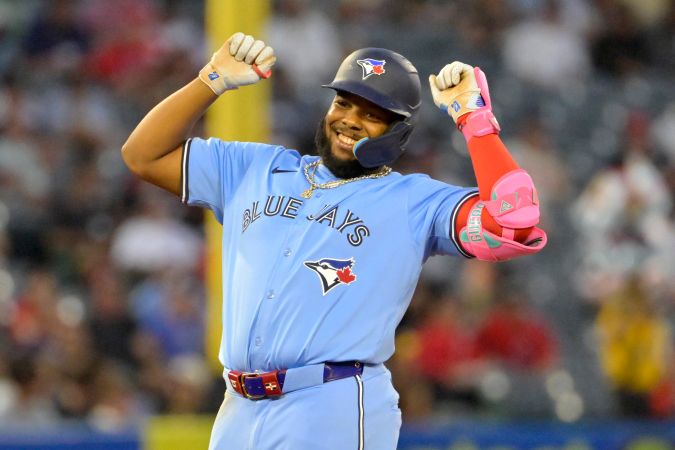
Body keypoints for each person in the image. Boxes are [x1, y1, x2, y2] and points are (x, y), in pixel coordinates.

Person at [122, 32, 547, 450]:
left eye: (372, 113)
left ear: (397, 132)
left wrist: (474, 121)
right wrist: (210, 79)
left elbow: (514, 223)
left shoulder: (413, 201)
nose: (349, 119)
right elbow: (142, 154)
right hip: (238, 405)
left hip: (330, 402)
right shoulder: (255, 168)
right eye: (344, 102)